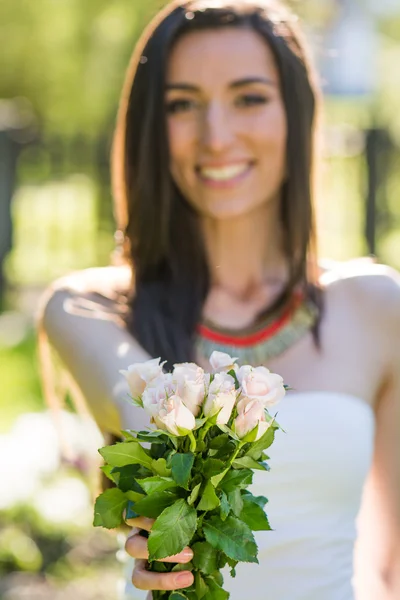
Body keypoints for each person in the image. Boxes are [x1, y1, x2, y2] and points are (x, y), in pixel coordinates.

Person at [38, 0, 400, 598]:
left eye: (249, 98)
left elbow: (390, 570)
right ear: (153, 126)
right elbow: (155, 433)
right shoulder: (88, 311)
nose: (216, 135)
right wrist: (162, 535)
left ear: (296, 113)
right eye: (182, 104)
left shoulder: (377, 307)